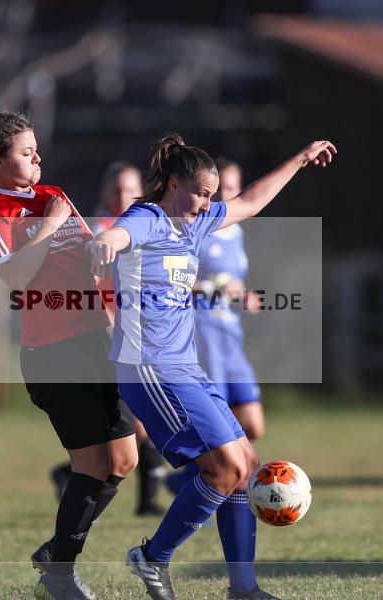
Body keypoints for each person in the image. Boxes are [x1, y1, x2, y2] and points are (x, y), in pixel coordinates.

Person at [90, 133, 336, 600]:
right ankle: (153, 557)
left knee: (246, 464)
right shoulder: (148, 217)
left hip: (186, 368)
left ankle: (243, 588)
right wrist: (106, 242)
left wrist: (300, 159)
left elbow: (250, 202)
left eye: (211, 195)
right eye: (202, 193)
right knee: (224, 468)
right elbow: (121, 233)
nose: (208, 204)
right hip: (150, 369)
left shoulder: (195, 224)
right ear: (175, 182)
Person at [0, 110, 138, 600]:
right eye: (24, 151)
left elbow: (90, 261)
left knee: (124, 458)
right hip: (55, 351)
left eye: (37, 148)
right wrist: (48, 228)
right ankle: (60, 576)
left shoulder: (54, 196)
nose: (37, 157)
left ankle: (56, 550)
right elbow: (14, 277)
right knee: (91, 465)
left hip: (99, 340)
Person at [50, 161, 167, 516]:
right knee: (142, 423)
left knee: (140, 425)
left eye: (129, 190)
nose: (122, 196)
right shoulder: (96, 233)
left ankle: (70, 474)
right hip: (109, 340)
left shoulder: (143, 229)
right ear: (104, 193)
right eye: (115, 189)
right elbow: (92, 289)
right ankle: (145, 502)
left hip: (142, 337)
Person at [164, 157, 265, 497]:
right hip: (203, 332)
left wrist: (243, 295)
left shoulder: (236, 234)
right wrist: (214, 289)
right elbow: (176, 278)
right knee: (215, 427)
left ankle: (188, 481)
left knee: (253, 424)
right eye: (221, 190)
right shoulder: (199, 229)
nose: (226, 196)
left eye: (233, 189)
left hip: (229, 335)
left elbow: (232, 283)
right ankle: (211, 483)